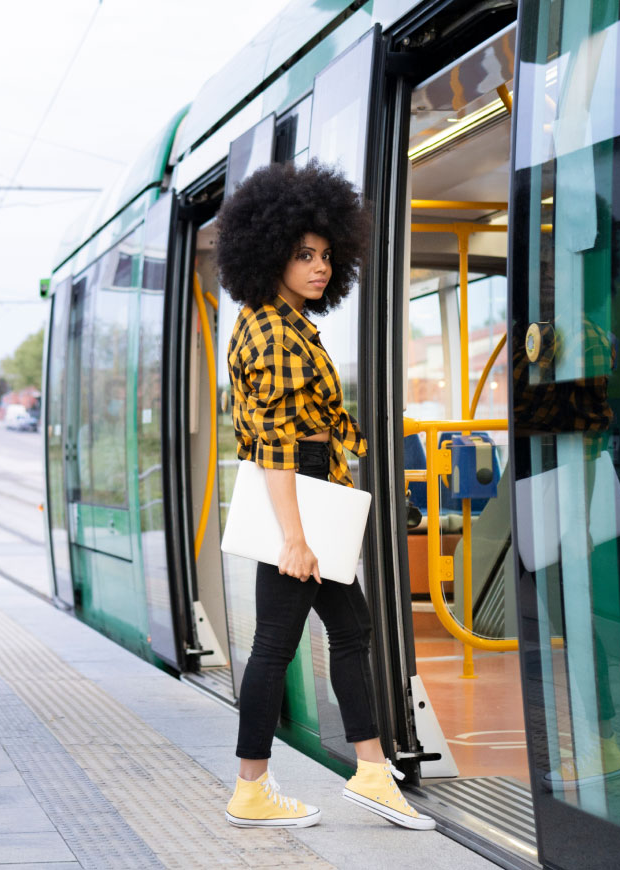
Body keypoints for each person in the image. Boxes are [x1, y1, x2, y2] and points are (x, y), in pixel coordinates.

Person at [217, 160, 435, 831]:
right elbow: (281, 444)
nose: (318, 267)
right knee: (277, 645)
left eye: (326, 255)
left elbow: (308, 428)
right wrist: (294, 537)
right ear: (270, 252)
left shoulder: (277, 320)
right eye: (302, 254)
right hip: (300, 488)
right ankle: (251, 788)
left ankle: (372, 771)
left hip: (313, 481)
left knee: (351, 629)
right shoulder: (277, 332)